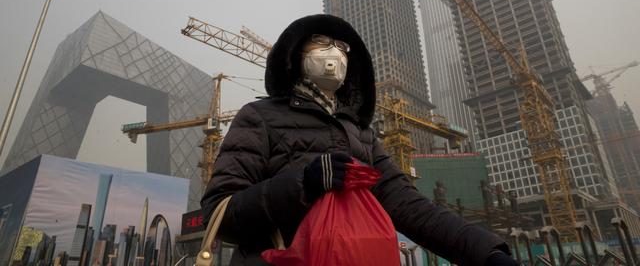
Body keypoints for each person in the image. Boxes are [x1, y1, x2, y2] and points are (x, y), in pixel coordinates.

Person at [201, 14, 518, 265]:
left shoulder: (361, 133)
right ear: (296, 54)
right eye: (321, 42)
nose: (334, 52)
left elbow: (409, 205)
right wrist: (304, 184)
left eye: (342, 47)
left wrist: (485, 253)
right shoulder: (259, 116)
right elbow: (219, 213)